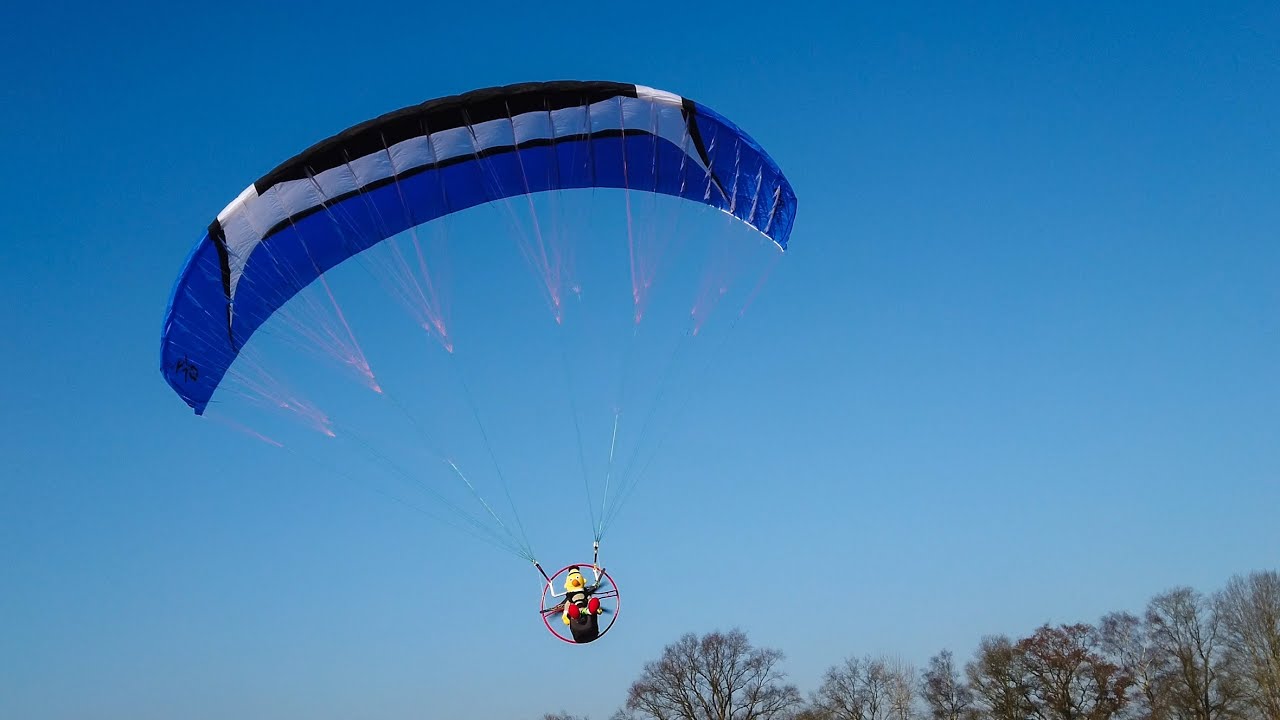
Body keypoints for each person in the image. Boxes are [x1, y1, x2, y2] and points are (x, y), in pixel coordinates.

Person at [551, 565, 604, 643]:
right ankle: (579, 614)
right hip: (584, 618)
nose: (575, 582)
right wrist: (565, 614)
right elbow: (567, 606)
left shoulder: (584, 595)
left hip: (584, 613)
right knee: (575, 609)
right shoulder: (570, 598)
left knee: (590, 605)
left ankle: (584, 612)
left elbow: (590, 598)